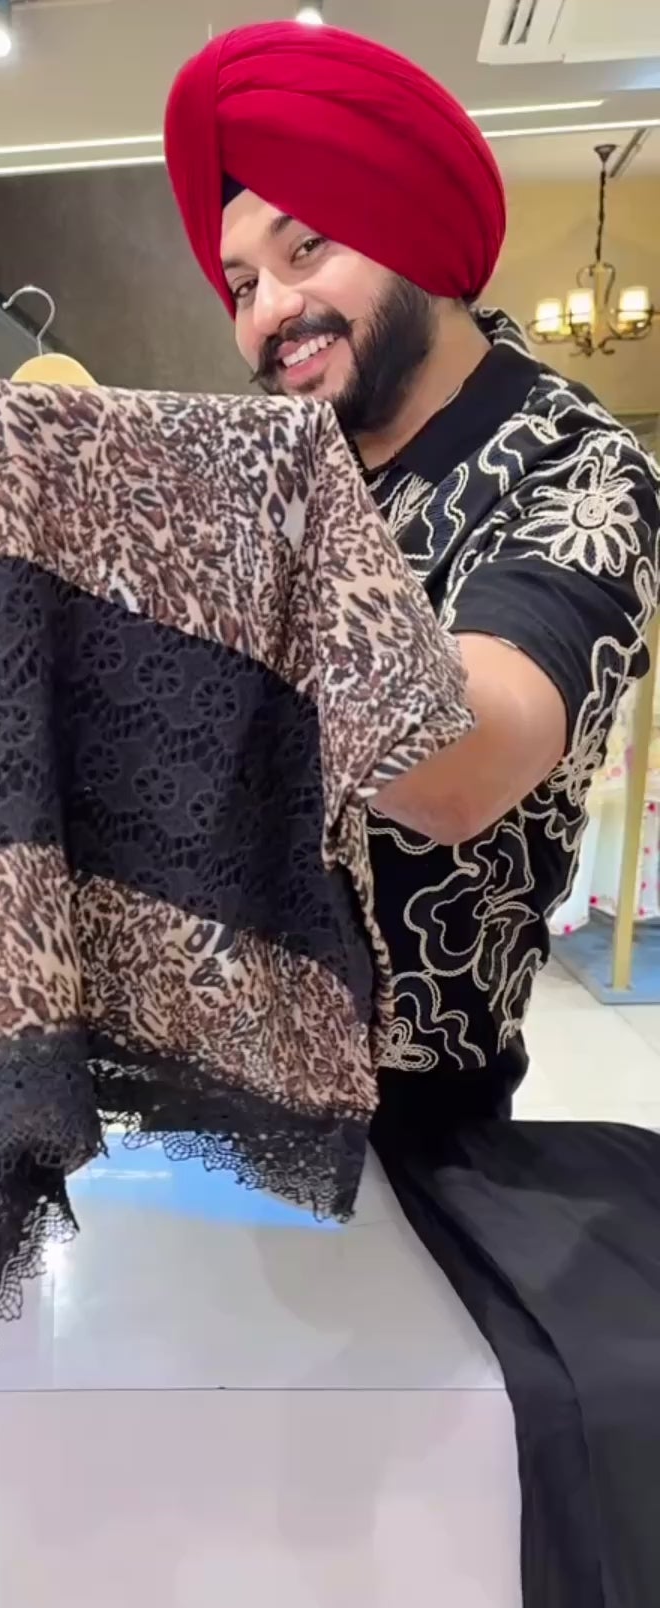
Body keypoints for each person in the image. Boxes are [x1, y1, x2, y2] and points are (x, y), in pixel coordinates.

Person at [164, 20, 660, 1125]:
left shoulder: (574, 465)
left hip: (407, 1114)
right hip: (204, 1068)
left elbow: (459, 772)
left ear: (409, 235)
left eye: (305, 251)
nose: (268, 312)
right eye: (242, 285)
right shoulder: (291, 461)